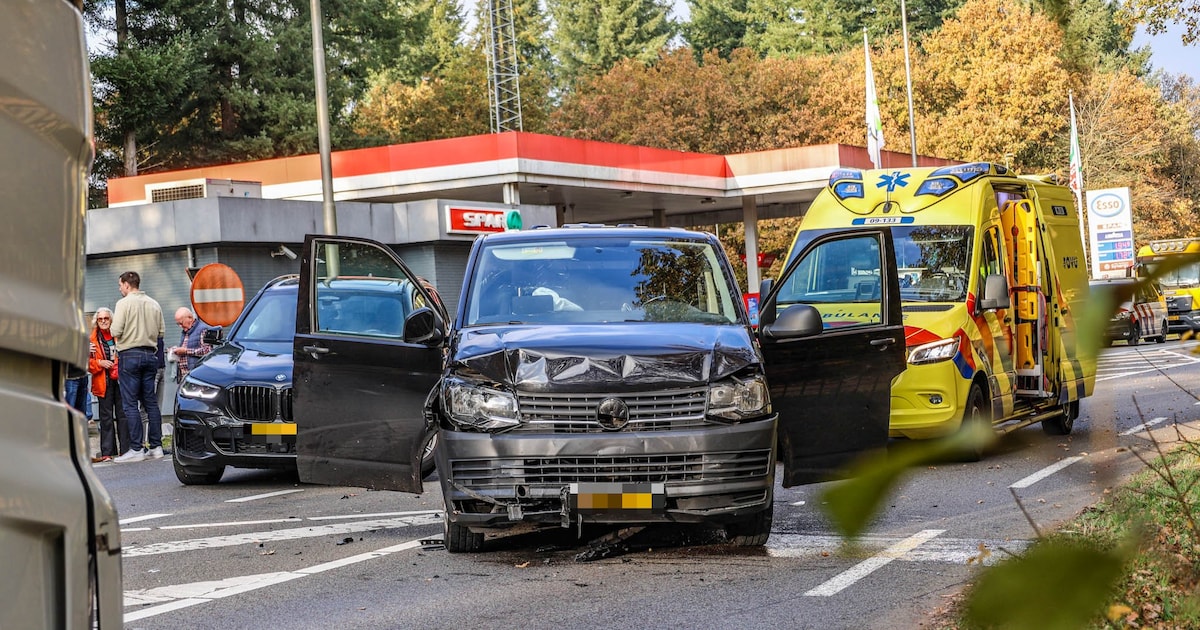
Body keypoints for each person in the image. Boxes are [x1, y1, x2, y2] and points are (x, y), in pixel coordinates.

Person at [110, 271, 167, 463]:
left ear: (127, 285)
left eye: (120, 285)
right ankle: (156, 446)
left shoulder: (123, 303)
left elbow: (115, 330)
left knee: (130, 403)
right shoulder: (154, 303)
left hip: (129, 354)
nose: (119, 289)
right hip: (150, 355)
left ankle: (136, 448)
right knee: (150, 402)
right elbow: (161, 332)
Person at [87, 308, 127, 462]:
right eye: (100, 319)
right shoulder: (92, 340)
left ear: (111, 320)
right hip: (102, 381)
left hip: (120, 380)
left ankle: (125, 450)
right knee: (106, 417)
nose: (103, 321)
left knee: (123, 415)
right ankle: (107, 452)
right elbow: (88, 364)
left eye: (106, 318)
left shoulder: (119, 336)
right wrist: (100, 362)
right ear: (96, 321)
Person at [172, 307, 212, 381]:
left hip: (196, 376)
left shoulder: (202, 329)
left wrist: (185, 351)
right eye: (178, 324)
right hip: (184, 377)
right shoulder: (185, 332)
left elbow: (207, 351)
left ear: (190, 318)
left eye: (181, 323)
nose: (180, 326)